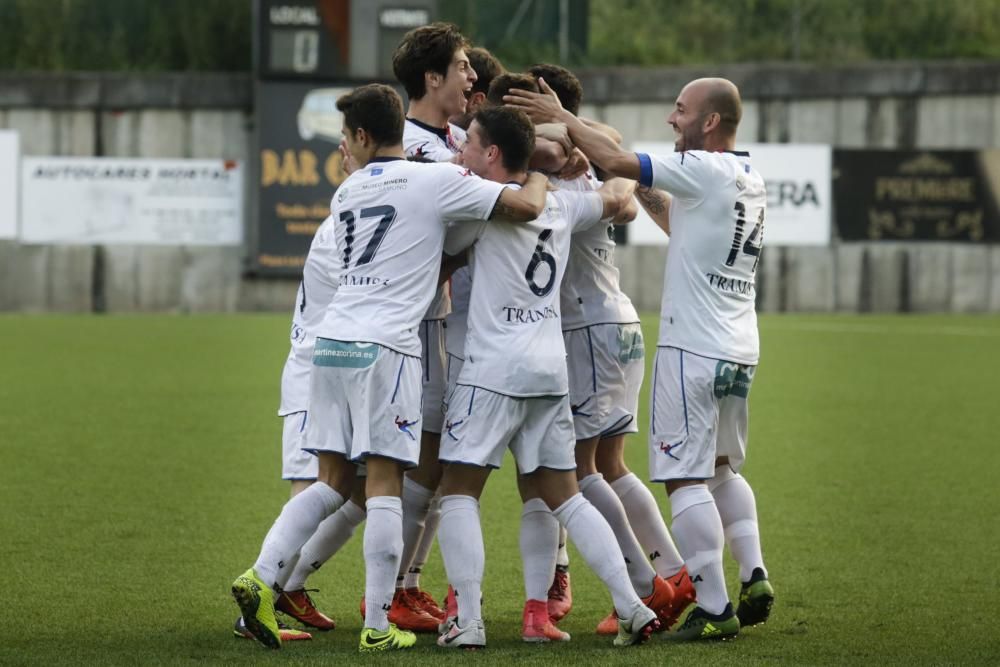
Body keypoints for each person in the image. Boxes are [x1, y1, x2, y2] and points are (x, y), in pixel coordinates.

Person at [230, 83, 550, 652]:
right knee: (383, 483)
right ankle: (378, 625)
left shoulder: (347, 190)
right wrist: (543, 170)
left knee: (330, 481)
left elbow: (413, 253)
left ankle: (261, 575)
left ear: (359, 136)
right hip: (389, 347)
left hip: (331, 343)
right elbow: (524, 207)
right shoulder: (438, 180)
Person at [506, 76, 775, 640]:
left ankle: (713, 606)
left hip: (693, 347)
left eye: (680, 112)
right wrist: (610, 169)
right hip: (738, 348)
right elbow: (670, 216)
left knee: (684, 478)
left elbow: (616, 155)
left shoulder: (703, 168)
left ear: (709, 123)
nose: (672, 121)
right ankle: (754, 573)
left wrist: (565, 118)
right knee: (722, 468)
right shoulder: (747, 177)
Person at [434, 105, 660, 649]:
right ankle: (632, 605)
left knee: (458, 492)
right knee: (566, 497)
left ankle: (467, 621)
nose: (460, 153)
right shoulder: (562, 205)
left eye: (470, 145)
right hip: (549, 371)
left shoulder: (480, 206)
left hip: (492, 369)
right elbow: (615, 194)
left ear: (491, 154)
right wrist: (569, 157)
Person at [528, 63, 695, 636]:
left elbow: (618, 188)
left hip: (590, 333)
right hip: (616, 325)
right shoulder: (593, 164)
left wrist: (566, 142)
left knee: (576, 471)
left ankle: (651, 588)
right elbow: (614, 151)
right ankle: (675, 571)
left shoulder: (553, 175)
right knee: (610, 464)